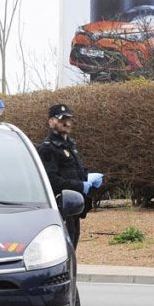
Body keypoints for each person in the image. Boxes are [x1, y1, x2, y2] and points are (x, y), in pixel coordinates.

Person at [37, 103, 103, 247]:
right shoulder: (48, 149)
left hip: (74, 208)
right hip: (60, 209)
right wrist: (81, 185)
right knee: (64, 252)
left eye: (68, 119)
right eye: (61, 119)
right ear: (51, 122)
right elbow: (51, 181)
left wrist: (89, 179)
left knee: (72, 250)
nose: (66, 123)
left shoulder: (69, 145)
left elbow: (75, 171)